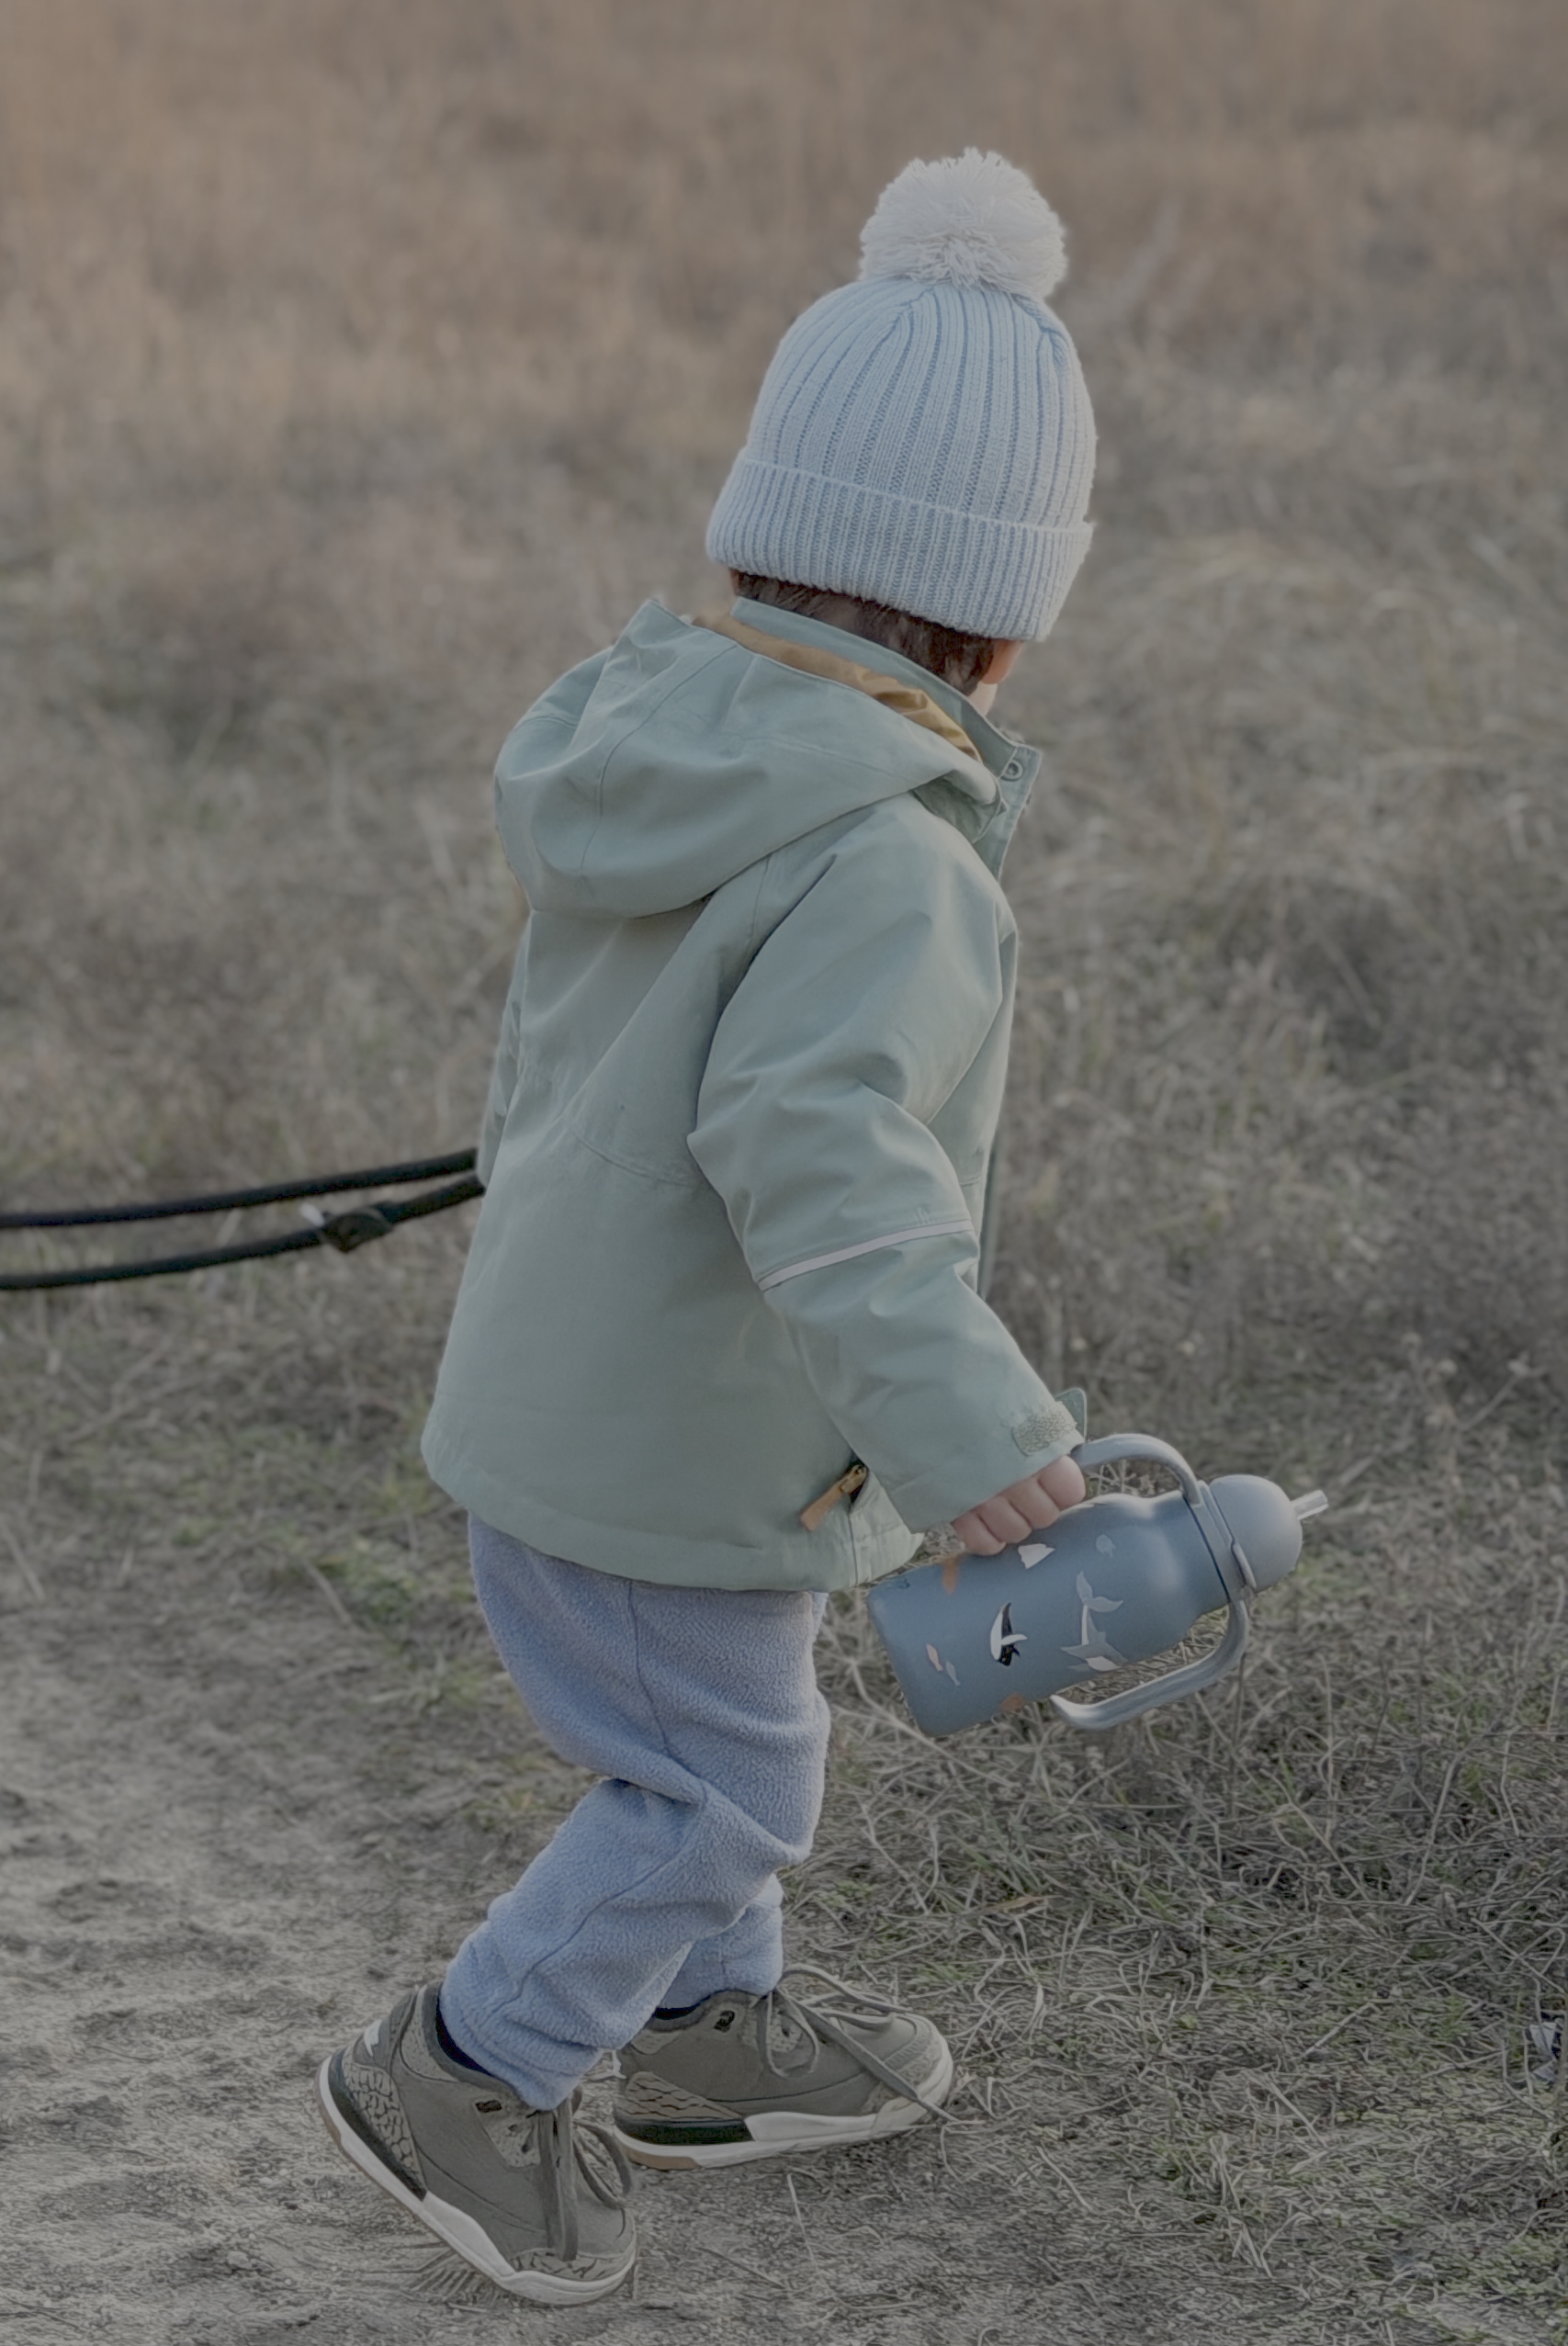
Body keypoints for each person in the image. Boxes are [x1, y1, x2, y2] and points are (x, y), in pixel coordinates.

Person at [315, 151, 1100, 2304]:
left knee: (721, 1734)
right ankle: (472, 2063)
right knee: (722, 1783)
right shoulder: (896, 858)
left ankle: (702, 2028)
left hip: (609, 1413)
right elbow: (826, 1159)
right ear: (1007, 608)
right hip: (661, 1456)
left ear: (763, 530)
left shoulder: (672, 738)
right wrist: (970, 1437)